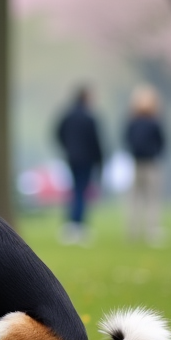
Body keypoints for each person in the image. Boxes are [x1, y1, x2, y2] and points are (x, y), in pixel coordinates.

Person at [54, 86, 104, 246]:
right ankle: (78, 224)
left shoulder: (67, 116)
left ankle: (71, 223)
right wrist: (100, 159)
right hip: (86, 159)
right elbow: (95, 141)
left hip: (72, 157)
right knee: (81, 190)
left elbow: (58, 132)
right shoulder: (89, 118)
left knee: (75, 189)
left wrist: (67, 147)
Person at [123, 85, 167, 247]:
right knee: (152, 199)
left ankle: (131, 232)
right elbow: (162, 142)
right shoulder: (154, 122)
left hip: (136, 163)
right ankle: (152, 232)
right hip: (151, 163)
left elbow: (126, 139)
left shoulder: (132, 122)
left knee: (134, 200)